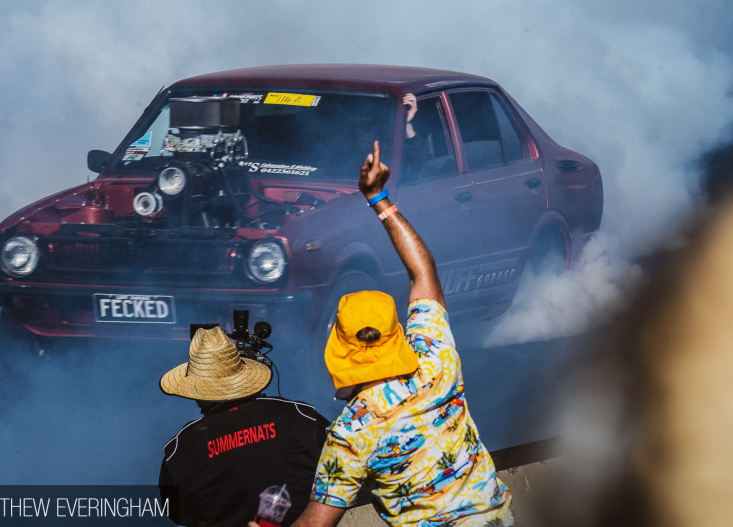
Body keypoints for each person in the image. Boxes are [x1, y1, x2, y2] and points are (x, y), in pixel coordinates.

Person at [266, 141, 514, 527]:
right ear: (396, 334)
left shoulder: (353, 433)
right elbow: (423, 272)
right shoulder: (436, 360)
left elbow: (316, 524)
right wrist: (378, 198)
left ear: (339, 347)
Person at [159, 326, 331, 527]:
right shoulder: (301, 417)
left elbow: (176, 513)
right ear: (242, 376)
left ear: (198, 390)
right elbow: (343, 473)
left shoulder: (181, 449)